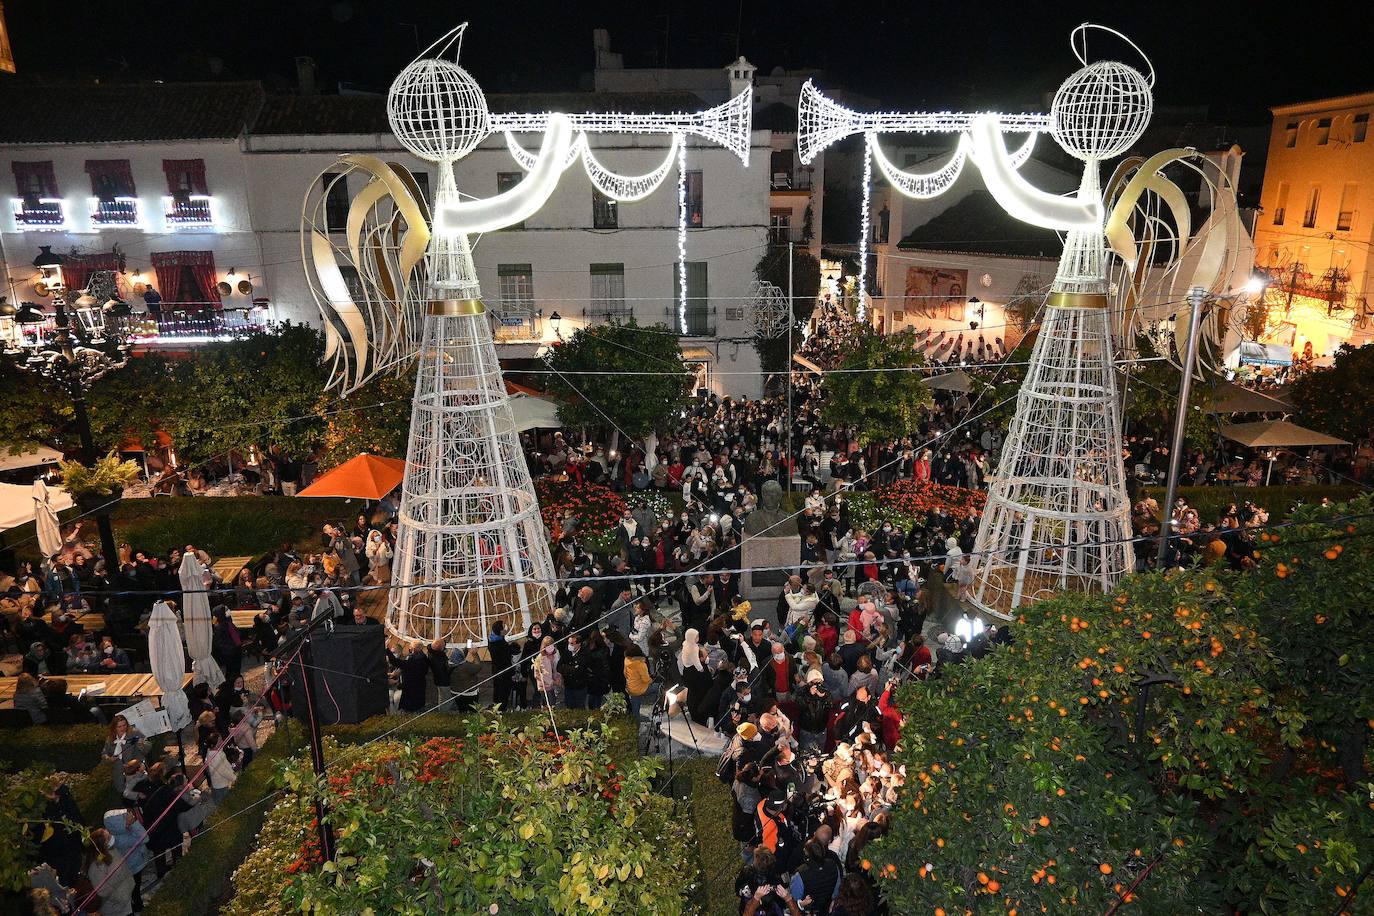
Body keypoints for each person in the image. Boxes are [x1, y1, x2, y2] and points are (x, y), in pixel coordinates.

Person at [103, 808, 149, 914]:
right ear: (118, 825)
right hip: (133, 867)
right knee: (135, 887)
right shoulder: (121, 839)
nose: (129, 817)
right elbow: (144, 838)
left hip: (130, 865)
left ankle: (135, 903)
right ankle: (138, 906)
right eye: (124, 818)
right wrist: (134, 823)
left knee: (134, 887)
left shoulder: (116, 833)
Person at [84, 827, 137, 916]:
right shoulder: (95, 867)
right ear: (102, 844)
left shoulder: (112, 850)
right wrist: (121, 897)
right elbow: (102, 890)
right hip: (116, 909)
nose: (112, 838)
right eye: (108, 838)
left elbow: (123, 868)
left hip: (126, 900)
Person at [102, 715, 149, 798]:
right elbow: (104, 754)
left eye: (124, 725)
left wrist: (142, 744)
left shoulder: (134, 733)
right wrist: (110, 759)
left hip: (136, 771)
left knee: (142, 794)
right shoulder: (110, 739)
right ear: (114, 727)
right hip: (119, 775)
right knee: (125, 796)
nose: (122, 728)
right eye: (119, 726)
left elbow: (148, 745)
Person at [487, 619, 516, 710]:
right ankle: (501, 708)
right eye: (504, 627)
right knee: (503, 691)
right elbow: (507, 656)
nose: (506, 627)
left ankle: (496, 705)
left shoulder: (492, 639)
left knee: (497, 688)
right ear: (500, 631)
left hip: (496, 669)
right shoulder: (500, 645)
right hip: (503, 671)